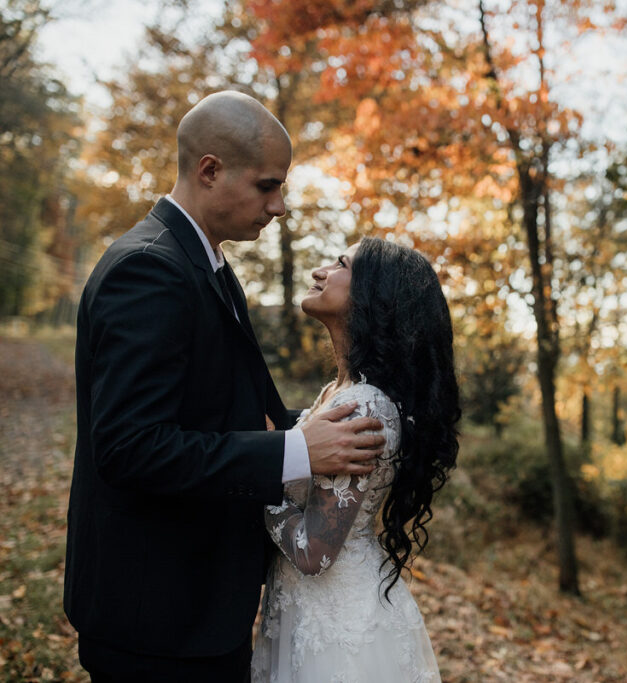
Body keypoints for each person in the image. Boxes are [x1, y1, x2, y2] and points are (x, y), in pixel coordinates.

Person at [65, 91, 387, 682]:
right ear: (209, 170)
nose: (280, 206)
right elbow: (129, 447)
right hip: (156, 618)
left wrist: (364, 418)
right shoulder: (149, 269)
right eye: (268, 186)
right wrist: (297, 451)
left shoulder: (207, 263)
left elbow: (235, 408)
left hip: (203, 606)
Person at [252, 237, 460, 683]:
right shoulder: (340, 392)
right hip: (308, 609)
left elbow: (312, 553)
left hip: (339, 629)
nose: (320, 271)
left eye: (341, 263)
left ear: (372, 297)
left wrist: (257, 471)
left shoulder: (363, 407)